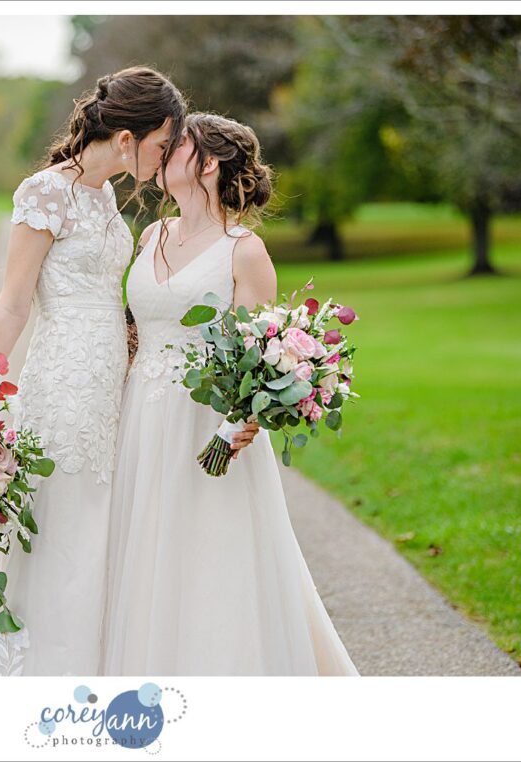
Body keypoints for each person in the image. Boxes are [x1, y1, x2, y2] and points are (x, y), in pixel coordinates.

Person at [0, 67, 204, 676]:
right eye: (163, 144)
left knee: (96, 534)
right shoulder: (44, 192)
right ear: (133, 135)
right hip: (64, 384)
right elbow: (11, 303)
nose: (164, 160)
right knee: (61, 526)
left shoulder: (105, 196)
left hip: (112, 386)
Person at [101, 113, 360, 675]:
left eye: (178, 146)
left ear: (209, 163)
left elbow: (258, 355)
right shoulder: (151, 235)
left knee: (209, 566)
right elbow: (133, 330)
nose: (163, 153)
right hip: (139, 424)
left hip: (205, 427)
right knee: (144, 559)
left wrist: (241, 423)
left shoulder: (244, 250)